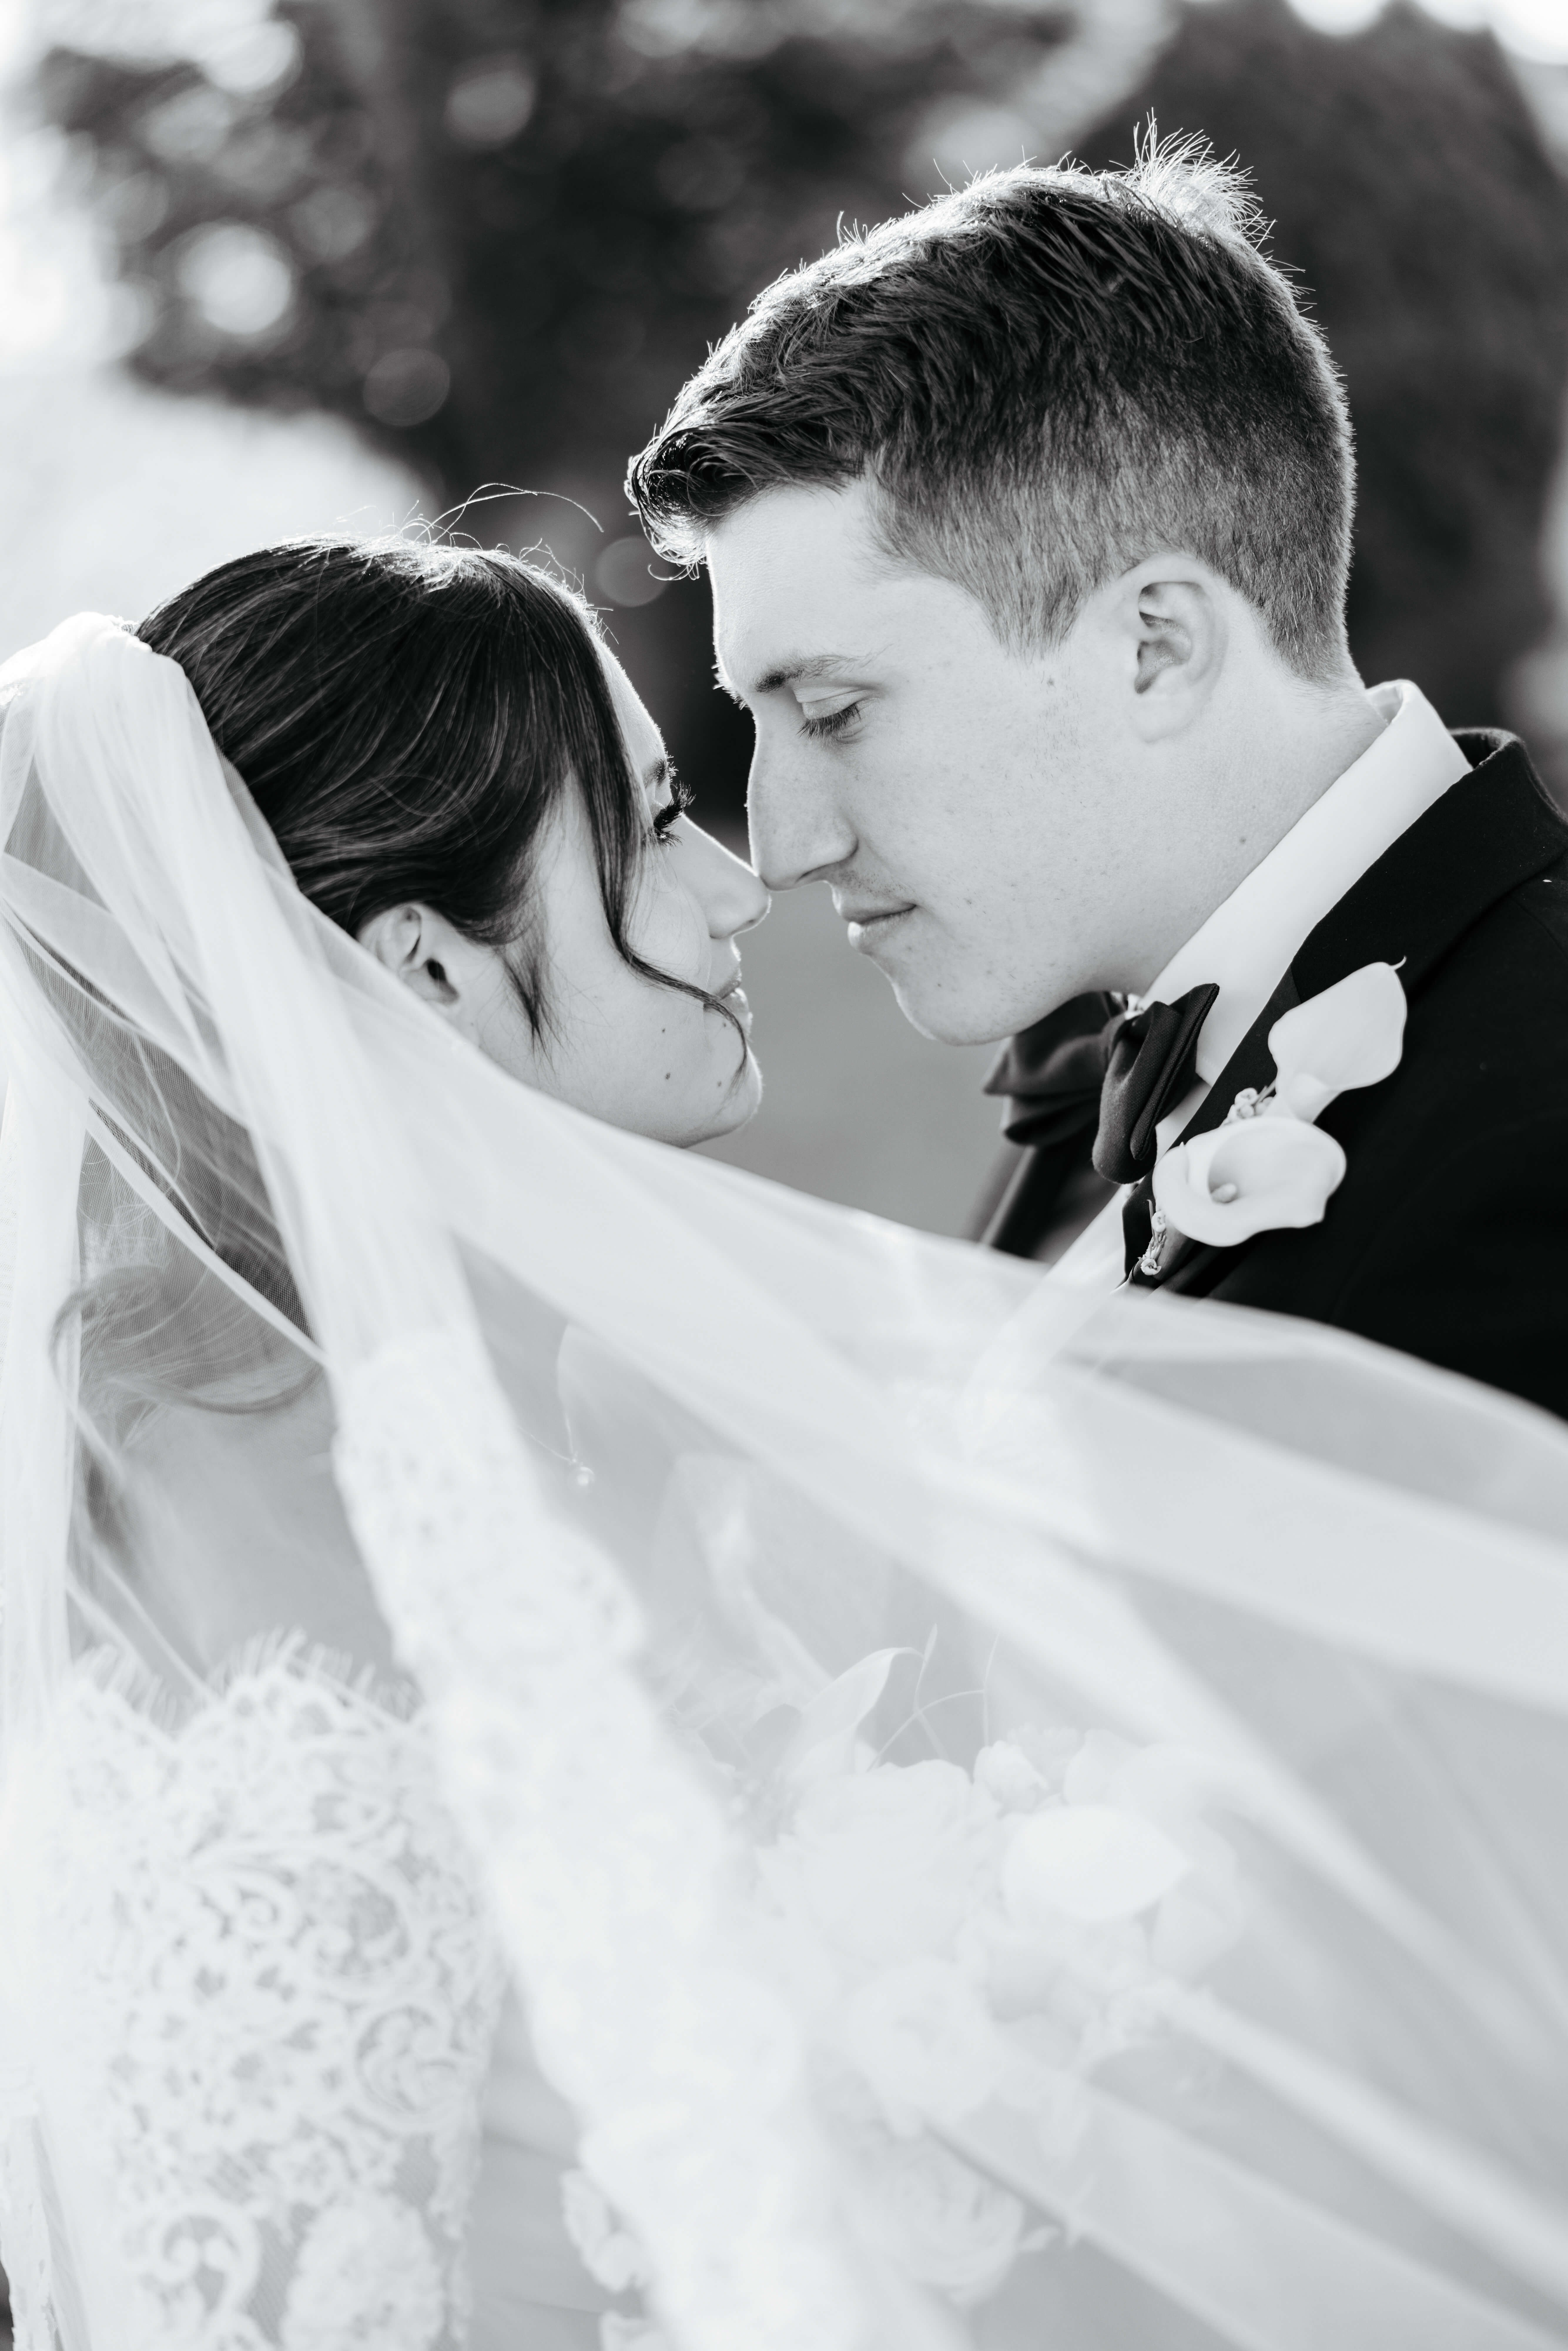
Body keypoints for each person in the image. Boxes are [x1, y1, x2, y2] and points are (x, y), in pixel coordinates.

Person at [1, 573, 1567, 2351]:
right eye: (655, 826)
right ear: (427, 972)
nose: (742, 880)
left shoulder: (582, 1423)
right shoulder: (251, 1504)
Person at [627, 139, 1568, 1422]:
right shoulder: (1101, 1043)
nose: (779, 846)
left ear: (1155, 646)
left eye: (836, 711)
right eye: (755, 720)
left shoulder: (1531, 1145)